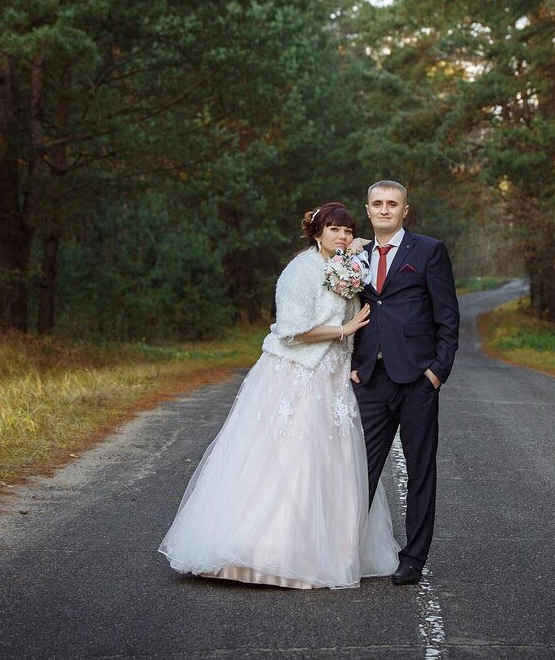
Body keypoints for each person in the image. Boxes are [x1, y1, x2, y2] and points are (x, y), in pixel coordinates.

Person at [158, 202, 400, 589]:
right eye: (333, 229)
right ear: (316, 233)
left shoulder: (348, 265)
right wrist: (345, 328)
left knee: (330, 460)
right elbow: (291, 328)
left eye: (347, 230)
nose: (341, 236)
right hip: (296, 374)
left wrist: (358, 249)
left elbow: (372, 258)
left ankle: (328, 552)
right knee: (293, 457)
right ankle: (268, 553)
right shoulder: (300, 270)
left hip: (334, 377)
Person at [350, 180, 460, 585]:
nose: (384, 209)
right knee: (360, 468)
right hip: (371, 380)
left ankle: (413, 558)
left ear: (404, 211)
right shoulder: (355, 256)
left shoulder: (429, 250)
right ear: (368, 210)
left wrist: (436, 372)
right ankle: (347, 551)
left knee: (420, 471)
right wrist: (353, 364)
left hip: (417, 380)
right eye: (377, 203)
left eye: (391, 204)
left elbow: (447, 316)